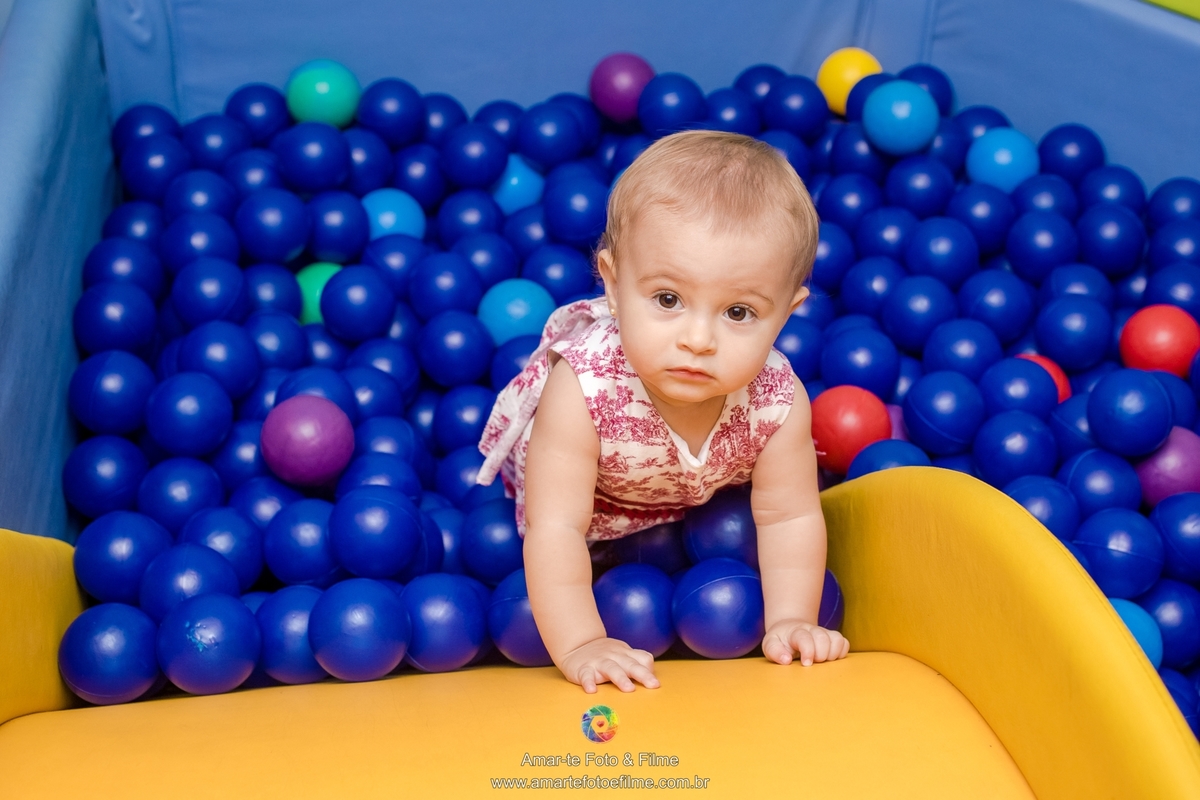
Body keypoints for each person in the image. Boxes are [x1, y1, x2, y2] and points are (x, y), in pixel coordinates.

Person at [476, 129, 848, 693]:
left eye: (740, 312)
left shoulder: (778, 401)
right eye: (668, 300)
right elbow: (556, 527)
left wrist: (790, 619)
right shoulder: (581, 389)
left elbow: (789, 515)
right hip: (590, 494)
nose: (698, 339)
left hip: (678, 485)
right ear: (614, 282)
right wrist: (581, 643)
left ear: (788, 314)